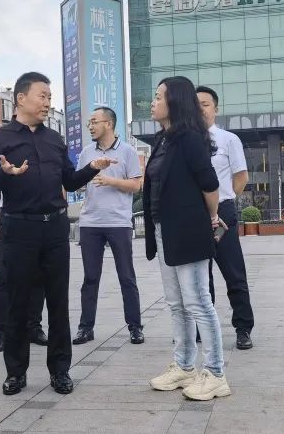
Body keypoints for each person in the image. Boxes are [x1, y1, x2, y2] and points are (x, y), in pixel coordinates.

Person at [0, 72, 114, 396]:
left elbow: (69, 181)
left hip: (54, 228)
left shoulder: (54, 139)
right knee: (18, 302)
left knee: (57, 300)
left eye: (49, 97)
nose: (47, 102)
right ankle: (16, 373)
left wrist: (92, 169)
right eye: (42, 96)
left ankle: (60, 370)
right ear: (21, 98)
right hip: (19, 228)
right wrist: (5, 173)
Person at [145, 76, 231, 402]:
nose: (153, 102)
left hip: (188, 228)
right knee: (176, 303)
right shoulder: (163, 140)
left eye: (158, 97)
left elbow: (210, 185)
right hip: (164, 228)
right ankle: (184, 366)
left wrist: (211, 218)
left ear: (175, 102)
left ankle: (216, 373)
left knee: (197, 301)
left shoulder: (190, 139)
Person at [73, 106, 144, 346]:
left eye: (95, 122)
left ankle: (135, 327)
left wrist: (110, 180)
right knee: (90, 278)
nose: (90, 126)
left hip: (118, 222)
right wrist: (85, 178)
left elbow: (136, 185)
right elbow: (79, 181)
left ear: (109, 124)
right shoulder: (86, 153)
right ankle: (85, 328)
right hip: (90, 222)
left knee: (127, 277)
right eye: (89, 123)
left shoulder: (128, 152)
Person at [197, 86, 255, 350]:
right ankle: (203, 328)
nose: (200, 109)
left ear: (216, 109)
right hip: (195, 215)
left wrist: (226, 200)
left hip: (222, 214)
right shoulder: (187, 141)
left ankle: (243, 328)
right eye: (195, 104)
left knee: (233, 272)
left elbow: (241, 176)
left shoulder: (228, 139)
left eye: (205, 104)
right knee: (200, 274)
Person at [0, 192, 48, 353]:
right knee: (3, 275)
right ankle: (0, 331)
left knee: (38, 275)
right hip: (10, 218)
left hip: (40, 219)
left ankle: (33, 327)